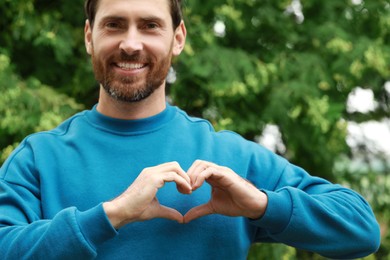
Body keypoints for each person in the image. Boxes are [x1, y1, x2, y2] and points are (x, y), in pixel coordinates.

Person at [0, 0, 381, 259]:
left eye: (150, 26)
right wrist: (112, 215)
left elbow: (361, 230)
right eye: (114, 25)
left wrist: (262, 205)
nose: (131, 44)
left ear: (177, 38)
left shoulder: (230, 158)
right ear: (89, 36)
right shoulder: (37, 158)